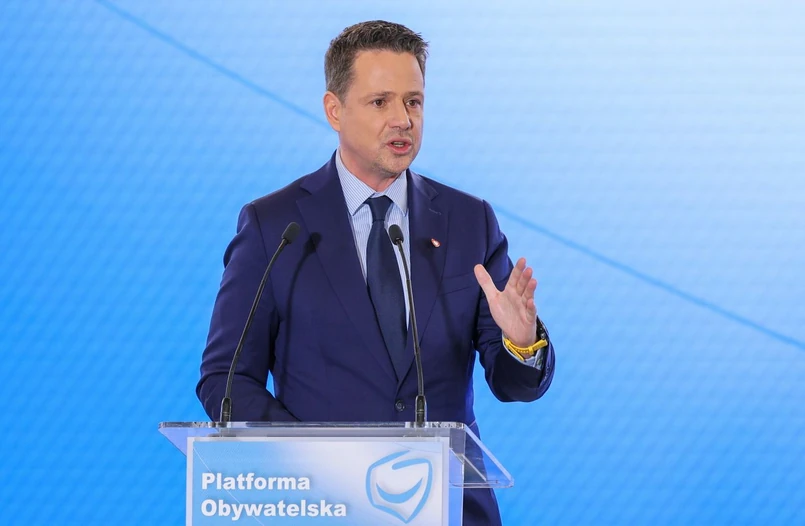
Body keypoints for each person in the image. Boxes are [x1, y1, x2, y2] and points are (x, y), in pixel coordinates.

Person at [197, 20, 555, 525]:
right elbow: (226, 380)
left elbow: (514, 384)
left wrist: (520, 342)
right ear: (334, 110)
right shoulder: (275, 227)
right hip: (324, 508)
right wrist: (316, 460)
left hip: (450, 510)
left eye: (414, 102)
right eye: (380, 102)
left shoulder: (468, 221)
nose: (402, 120)